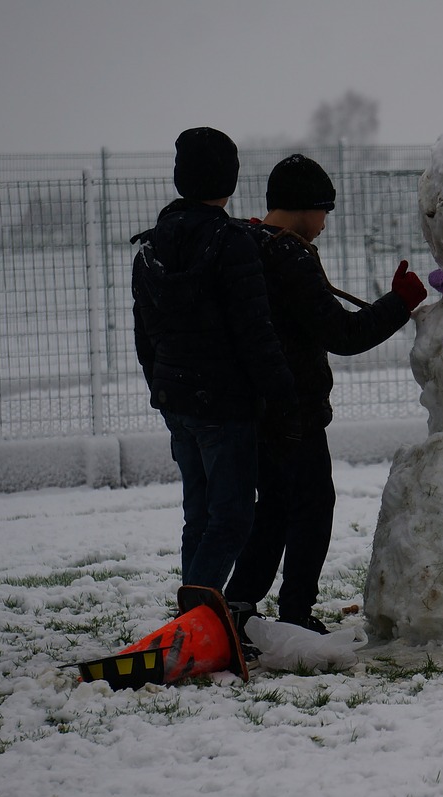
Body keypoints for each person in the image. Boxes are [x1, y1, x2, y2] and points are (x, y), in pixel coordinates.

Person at [225, 154, 427, 633]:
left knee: (271, 509)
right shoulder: (289, 254)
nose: (323, 224)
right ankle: (294, 611)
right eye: (323, 212)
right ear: (304, 207)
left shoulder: (246, 244)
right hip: (294, 410)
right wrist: (400, 303)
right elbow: (342, 333)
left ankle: (239, 605)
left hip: (251, 406)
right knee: (312, 509)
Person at [131, 127, 298, 594]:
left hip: (177, 400)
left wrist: (163, 387)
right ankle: (195, 620)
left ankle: (193, 613)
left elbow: (146, 335)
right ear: (231, 178)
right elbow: (255, 332)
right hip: (224, 406)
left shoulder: (151, 247)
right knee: (232, 518)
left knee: (199, 515)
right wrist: (283, 396)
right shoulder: (232, 243)